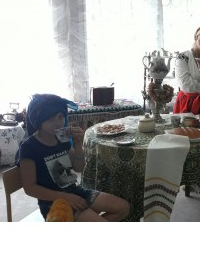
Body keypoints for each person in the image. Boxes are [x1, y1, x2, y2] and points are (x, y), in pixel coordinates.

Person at [17, 93, 131, 221]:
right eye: (50, 119)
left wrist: (78, 145)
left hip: (75, 191)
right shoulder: (29, 147)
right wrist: (66, 197)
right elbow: (30, 188)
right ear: (38, 121)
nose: (58, 123)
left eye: (60, 117)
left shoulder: (61, 137)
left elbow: (78, 168)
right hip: (54, 202)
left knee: (123, 208)